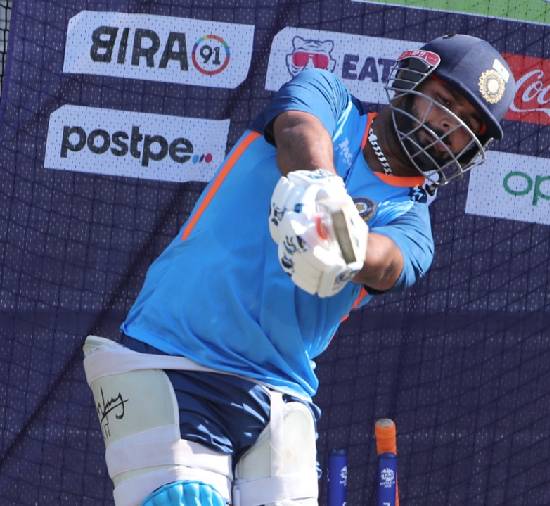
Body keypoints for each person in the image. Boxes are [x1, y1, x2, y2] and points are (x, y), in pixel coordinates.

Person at [82, 34, 516, 505]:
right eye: (444, 102)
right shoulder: (329, 97)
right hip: (177, 354)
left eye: (467, 126)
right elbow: (298, 132)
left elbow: (386, 263)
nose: (445, 128)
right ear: (412, 82)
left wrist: (346, 248)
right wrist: (321, 197)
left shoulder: (414, 225)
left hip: (280, 396)